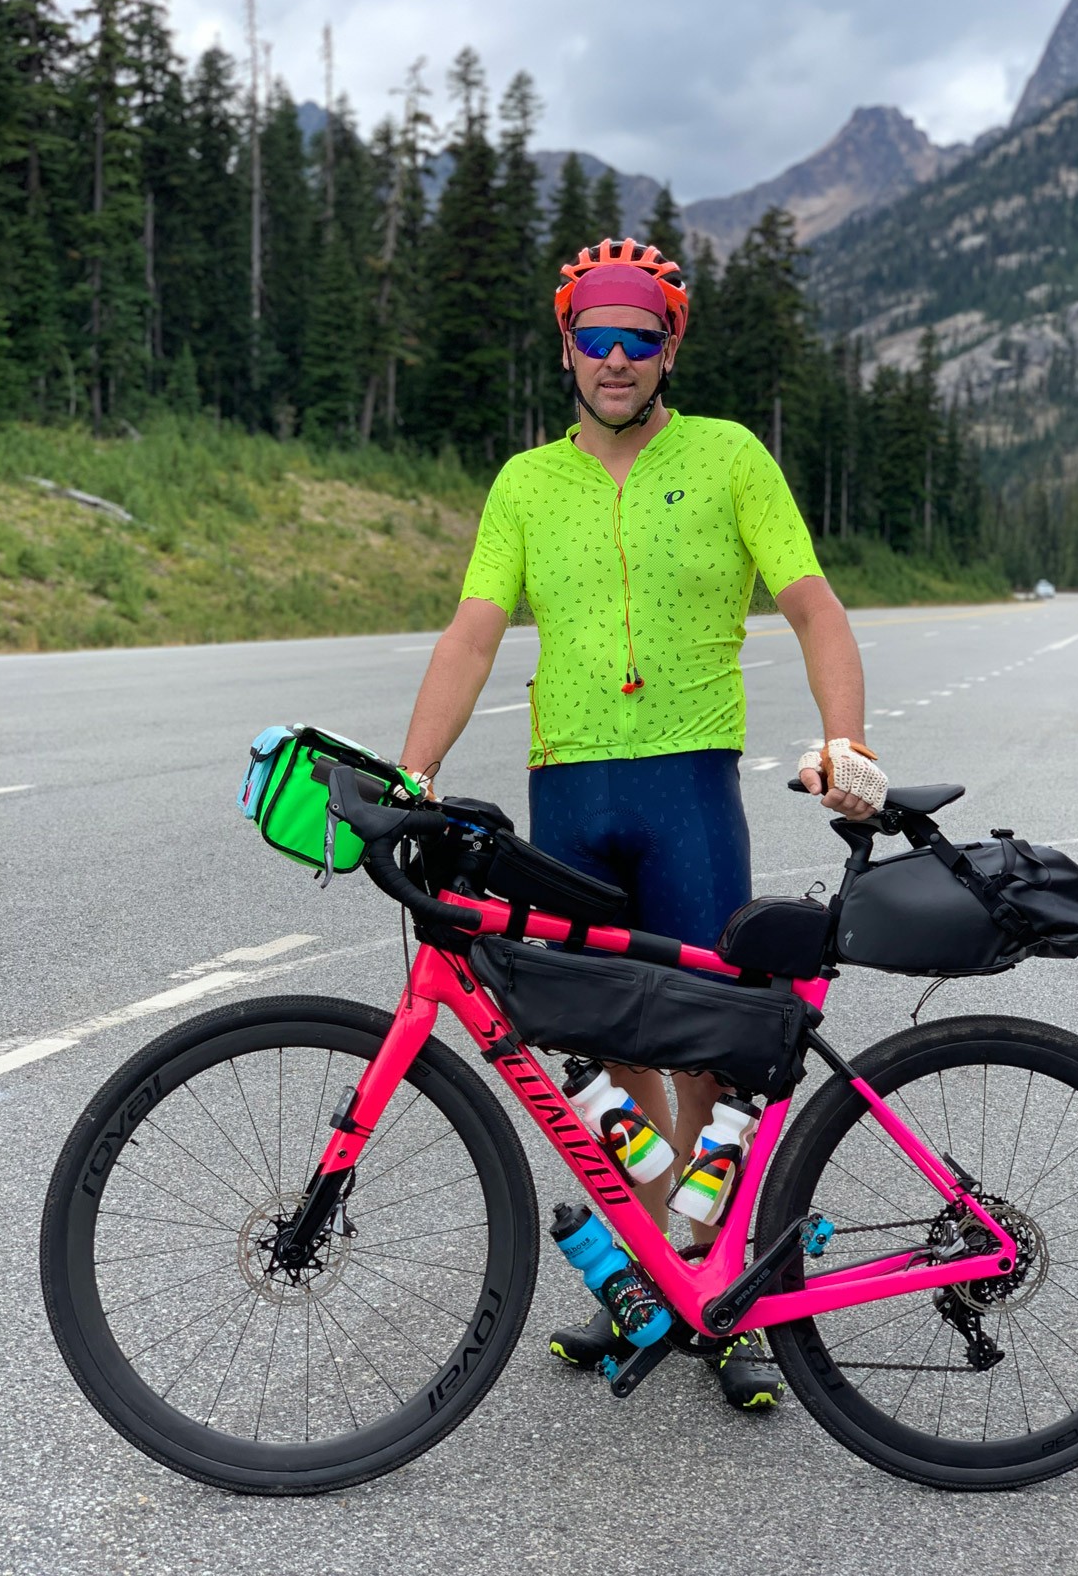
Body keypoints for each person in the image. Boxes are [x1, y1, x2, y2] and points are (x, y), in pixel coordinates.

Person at [399, 237, 887, 1410]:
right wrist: (414, 770)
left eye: (641, 335)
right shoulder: (526, 483)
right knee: (606, 1050)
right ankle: (666, 1277)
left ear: (672, 346)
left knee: (710, 1045)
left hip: (685, 785)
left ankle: (717, 1293)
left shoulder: (726, 457)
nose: (616, 357)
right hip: (568, 788)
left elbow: (815, 609)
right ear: (565, 343)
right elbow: (473, 635)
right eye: (596, 335)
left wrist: (847, 739)